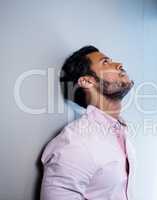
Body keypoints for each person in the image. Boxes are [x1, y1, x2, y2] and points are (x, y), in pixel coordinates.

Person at [40, 46, 135, 200]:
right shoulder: (74, 143)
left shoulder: (120, 132)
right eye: (105, 62)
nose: (119, 64)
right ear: (86, 81)